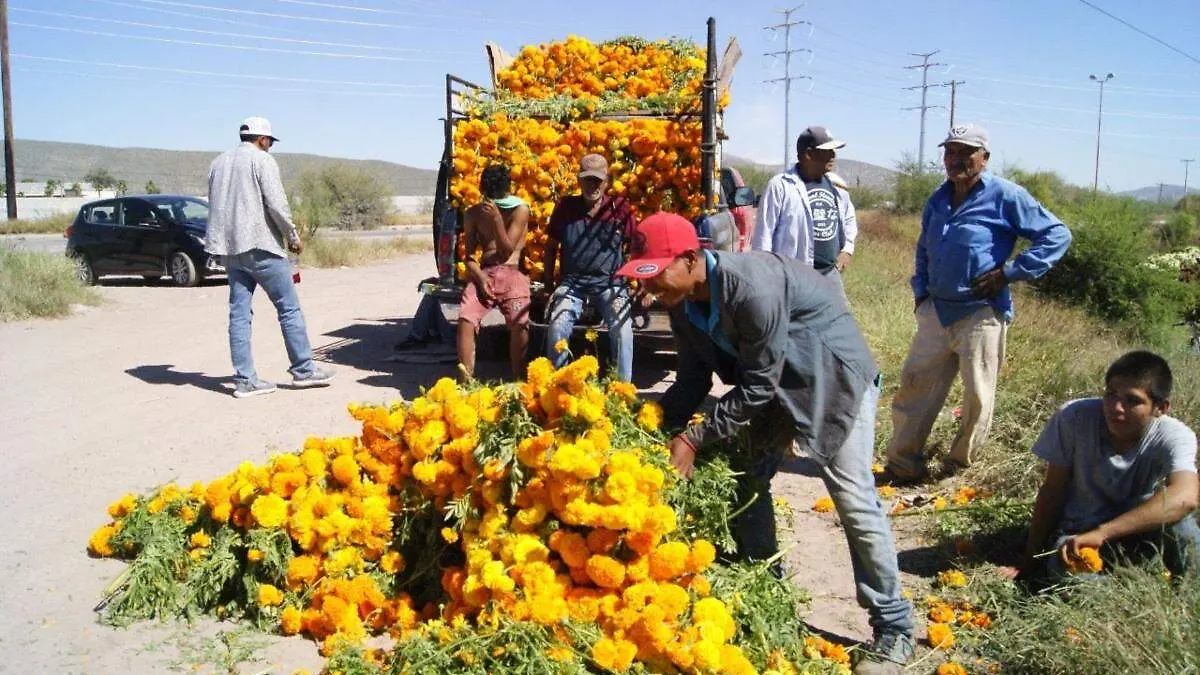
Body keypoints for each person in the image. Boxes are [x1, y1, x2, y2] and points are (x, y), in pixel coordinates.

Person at [618, 212, 914, 675]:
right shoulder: (683, 302)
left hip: (832, 379)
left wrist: (694, 438)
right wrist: (655, 426)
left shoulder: (750, 289)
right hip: (776, 381)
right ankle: (764, 581)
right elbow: (695, 374)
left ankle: (895, 627)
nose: (650, 289)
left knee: (853, 499)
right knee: (748, 474)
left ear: (691, 259)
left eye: (655, 275)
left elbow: (756, 386)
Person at [882, 124, 1072, 482]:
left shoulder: (1005, 195)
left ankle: (956, 468)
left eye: (965, 153)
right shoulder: (938, 198)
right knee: (914, 387)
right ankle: (902, 464)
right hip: (936, 311)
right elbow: (924, 247)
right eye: (950, 152)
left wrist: (1010, 272)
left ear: (983, 158)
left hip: (981, 314)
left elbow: (1057, 235)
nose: (955, 160)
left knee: (977, 397)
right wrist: (921, 292)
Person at [1000, 351, 1199, 584]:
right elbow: (1053, 491)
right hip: (1079, 535)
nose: (1116, 407)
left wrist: (1105, 532)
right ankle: (1127, 597)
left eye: (1132, 400)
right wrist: (1029, 560)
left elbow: (1186, 498)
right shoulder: (1074, 417)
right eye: (1111, 394)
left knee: (1181, 525)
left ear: (1161, 407)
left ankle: (1190, 595)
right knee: (1066, 573)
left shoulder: (1173, 435)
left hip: (1133, 531)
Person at [206, 116, 334, 398]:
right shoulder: (262, 161)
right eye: (270, 142)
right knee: (288, 307)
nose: (270, 147)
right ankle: (303, 370)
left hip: (231, 250)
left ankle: (245, 380)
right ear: (263, 140)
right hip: (260, 245)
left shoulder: (218, 163)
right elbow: (277, 204)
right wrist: (292, 236)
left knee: (239, 314)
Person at [543, 154, 637, 382]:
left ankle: (621, 390)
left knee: (623, 330)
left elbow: (635, 246)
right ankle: (558, 386)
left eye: (597, 180)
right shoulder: (566, 207)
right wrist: (548, 283)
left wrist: (635, 282)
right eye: (587, 180)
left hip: (609, 284)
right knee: (557, 326)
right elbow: (551, 245)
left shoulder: (620, 208)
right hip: (572, 284)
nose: (592, 185)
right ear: (579, 181)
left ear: (607, 181)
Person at [752, 125, 858, 296]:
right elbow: (764, 236)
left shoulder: (836, 186)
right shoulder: (781, 186)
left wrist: (847, 249)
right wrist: (765, 279)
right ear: (808, 154)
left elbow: (849, 219)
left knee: (838, 321)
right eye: (827, 151)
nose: (833, 156)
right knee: (792, 322)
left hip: (829, 274)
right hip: (792, 278)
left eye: (834, 151)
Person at [457, 164, 531, 379]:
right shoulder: (472, 214)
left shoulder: (520, 209)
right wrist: (480, 279)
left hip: (512, 272)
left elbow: (507, 251)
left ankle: (519, 379)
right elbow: (469, 257)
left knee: (520, 323)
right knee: (465, 318)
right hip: (485, 273)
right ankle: (466, 381)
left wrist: (498, 220)